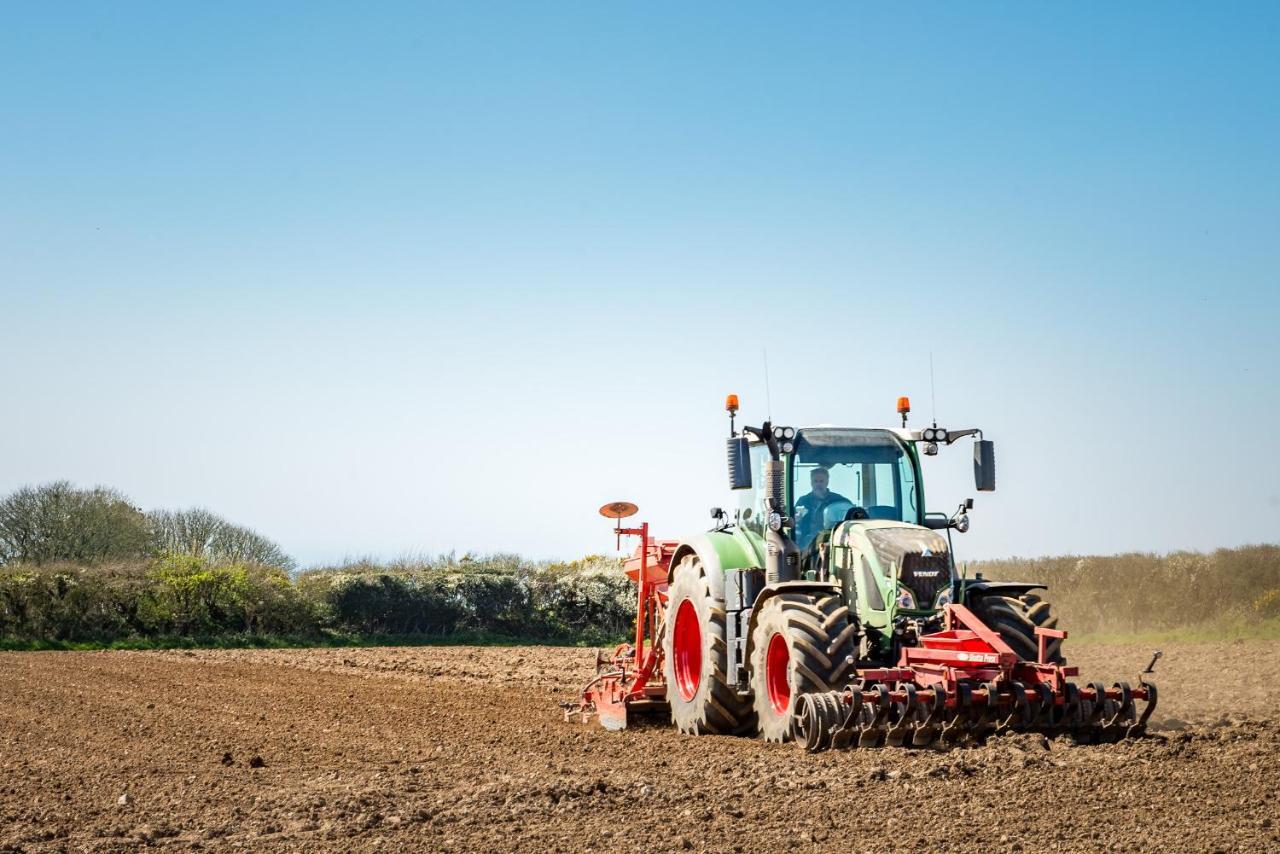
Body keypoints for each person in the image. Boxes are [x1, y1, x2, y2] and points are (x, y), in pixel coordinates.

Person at [794, 467, 850, 547]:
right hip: (807, 546)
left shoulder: (839, 501)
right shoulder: (803, 501)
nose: (818, 484)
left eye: (821, 481)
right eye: (815, 481)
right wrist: (797, 519)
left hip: (831, 543)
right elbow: (794, 524)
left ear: (827, 482)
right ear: (811, 483)